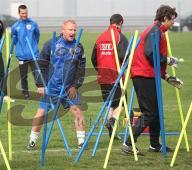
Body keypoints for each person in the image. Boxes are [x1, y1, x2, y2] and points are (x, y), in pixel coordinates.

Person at [122, 5, 183, 154]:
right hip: (143, 75)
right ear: (165, 19)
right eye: (172, 20)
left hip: (149, 74)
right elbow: (149, 53)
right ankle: (128, 143)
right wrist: (168, 60)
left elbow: (153, 59)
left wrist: (167, 77)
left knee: (155, 111)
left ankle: (154, 145)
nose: (173, 23)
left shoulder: (159, 31)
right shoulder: (155, 30)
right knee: (150, 112)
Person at [27, 20, 86, 150]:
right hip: (51, 86)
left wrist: (75, 86)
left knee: (77, 111)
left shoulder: (79, 47)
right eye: (70, 30)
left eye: (74, 30)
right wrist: (40, 84)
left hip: (69, 88)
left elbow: (81, 69)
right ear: (63, 30)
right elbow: (40, 65)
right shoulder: (52, 44)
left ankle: (81, 141)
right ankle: (32, 140)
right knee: (41, 113)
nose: (73, 32)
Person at [91, 14, 128, 139]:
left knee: (111, 105)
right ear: (121, 22)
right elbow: (124, 56)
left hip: (103, 76)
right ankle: (112, 121)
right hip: (116, 76)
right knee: (122, 104)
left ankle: (112, 133)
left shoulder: (100, 37)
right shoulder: (119, 36)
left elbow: (93, 58)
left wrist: (100, 70)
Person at [11, 4, 40, 100]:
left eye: (26, 13)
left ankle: (41, 91)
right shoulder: (15, 26)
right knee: (23, 76)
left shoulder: (33, 24)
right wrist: (20, 48)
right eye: (22, 13)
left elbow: (37, 36)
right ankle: (26, 93)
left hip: (33, 54)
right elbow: (14, 40)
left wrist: (33, 46)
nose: (24, 15)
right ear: (19, 13)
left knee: (37, 74)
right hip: (22, 56)